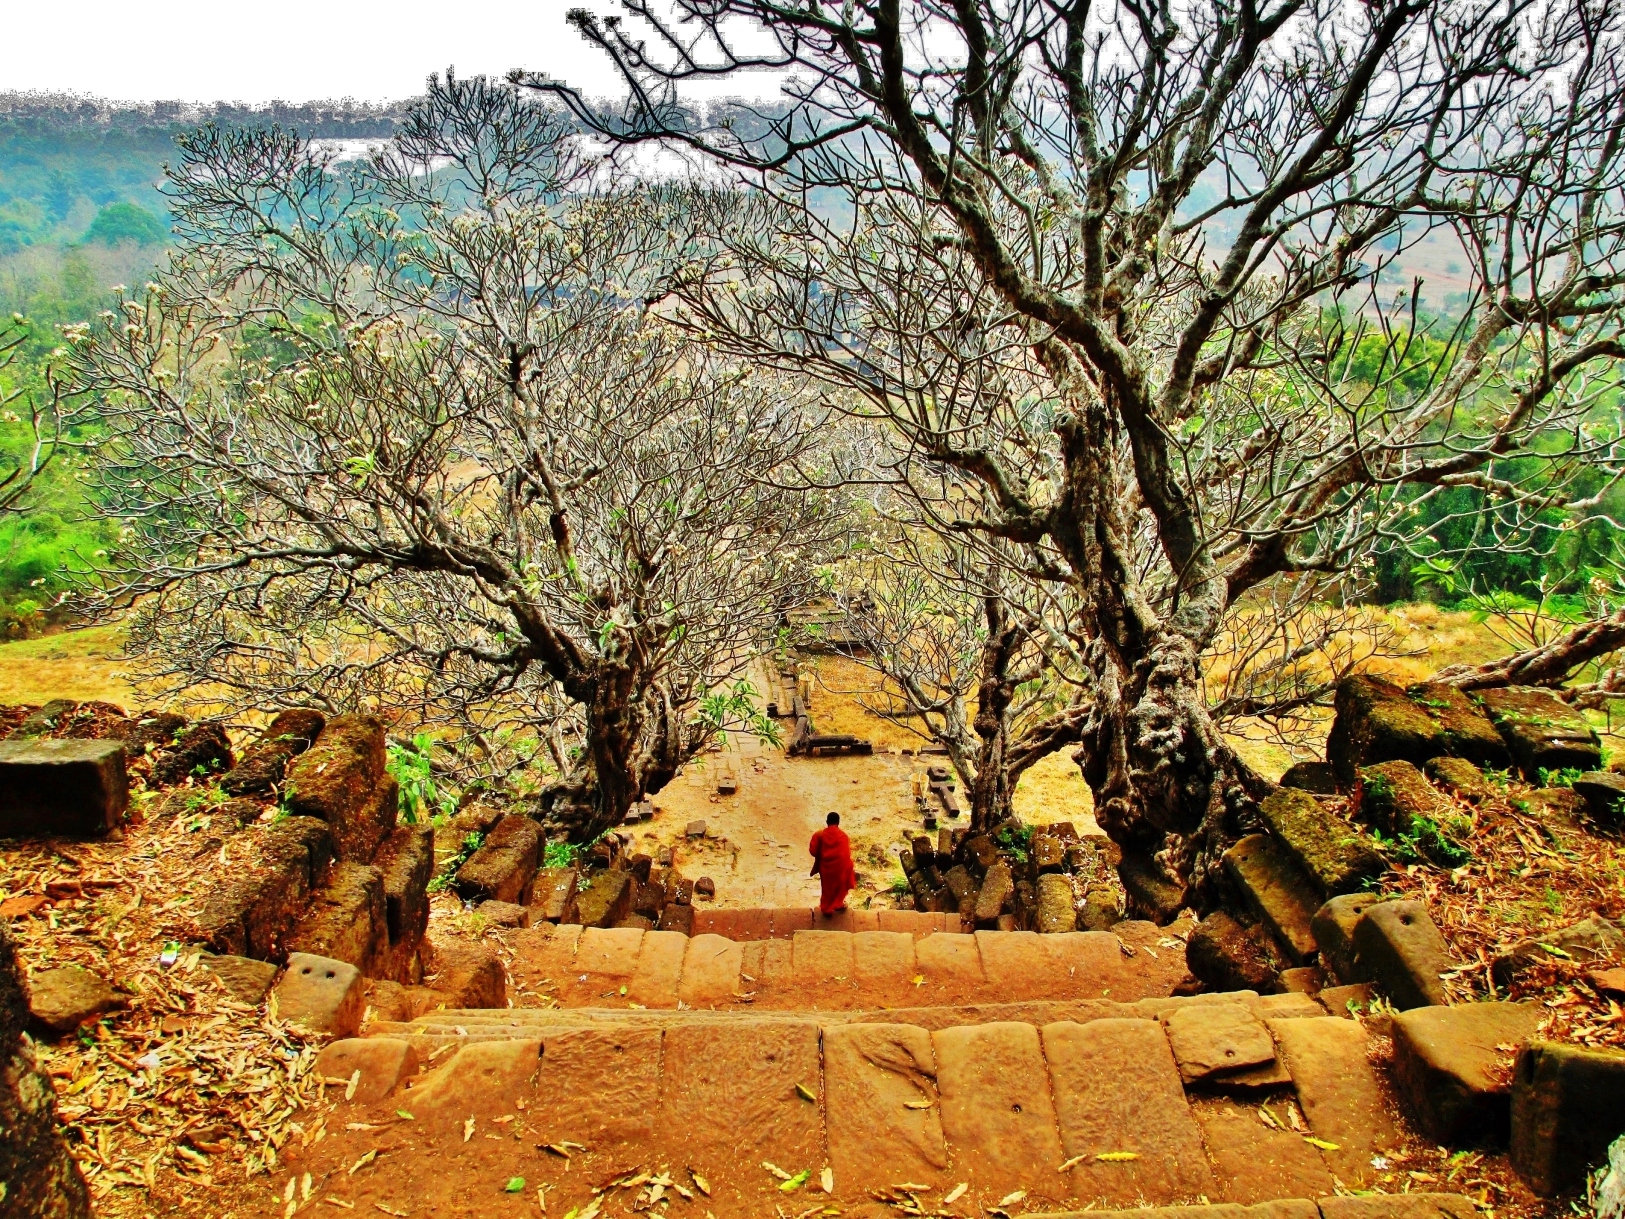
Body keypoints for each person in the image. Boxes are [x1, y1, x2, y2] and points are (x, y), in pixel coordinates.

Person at [808, 811, 855, 916]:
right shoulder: (844, 836)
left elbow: (813, 851)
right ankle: (838, 904)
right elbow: (846, 854)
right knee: (840, 886)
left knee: (827, 889)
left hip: (826, 867)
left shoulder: (819, 834)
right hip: (841, 867)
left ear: (827, 822)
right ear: (838, 822)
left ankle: (826, 908)